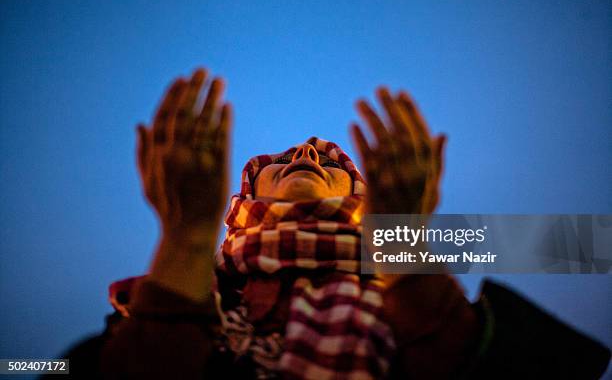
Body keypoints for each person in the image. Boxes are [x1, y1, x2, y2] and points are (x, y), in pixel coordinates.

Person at [58, 68, 610, 379]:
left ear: (365, 203)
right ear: (244, 196)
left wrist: (404, 244)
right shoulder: (182, 289)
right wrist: (185, 240)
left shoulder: (410, 277)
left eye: (333, 164)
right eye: (286, 157)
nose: (310, 153)